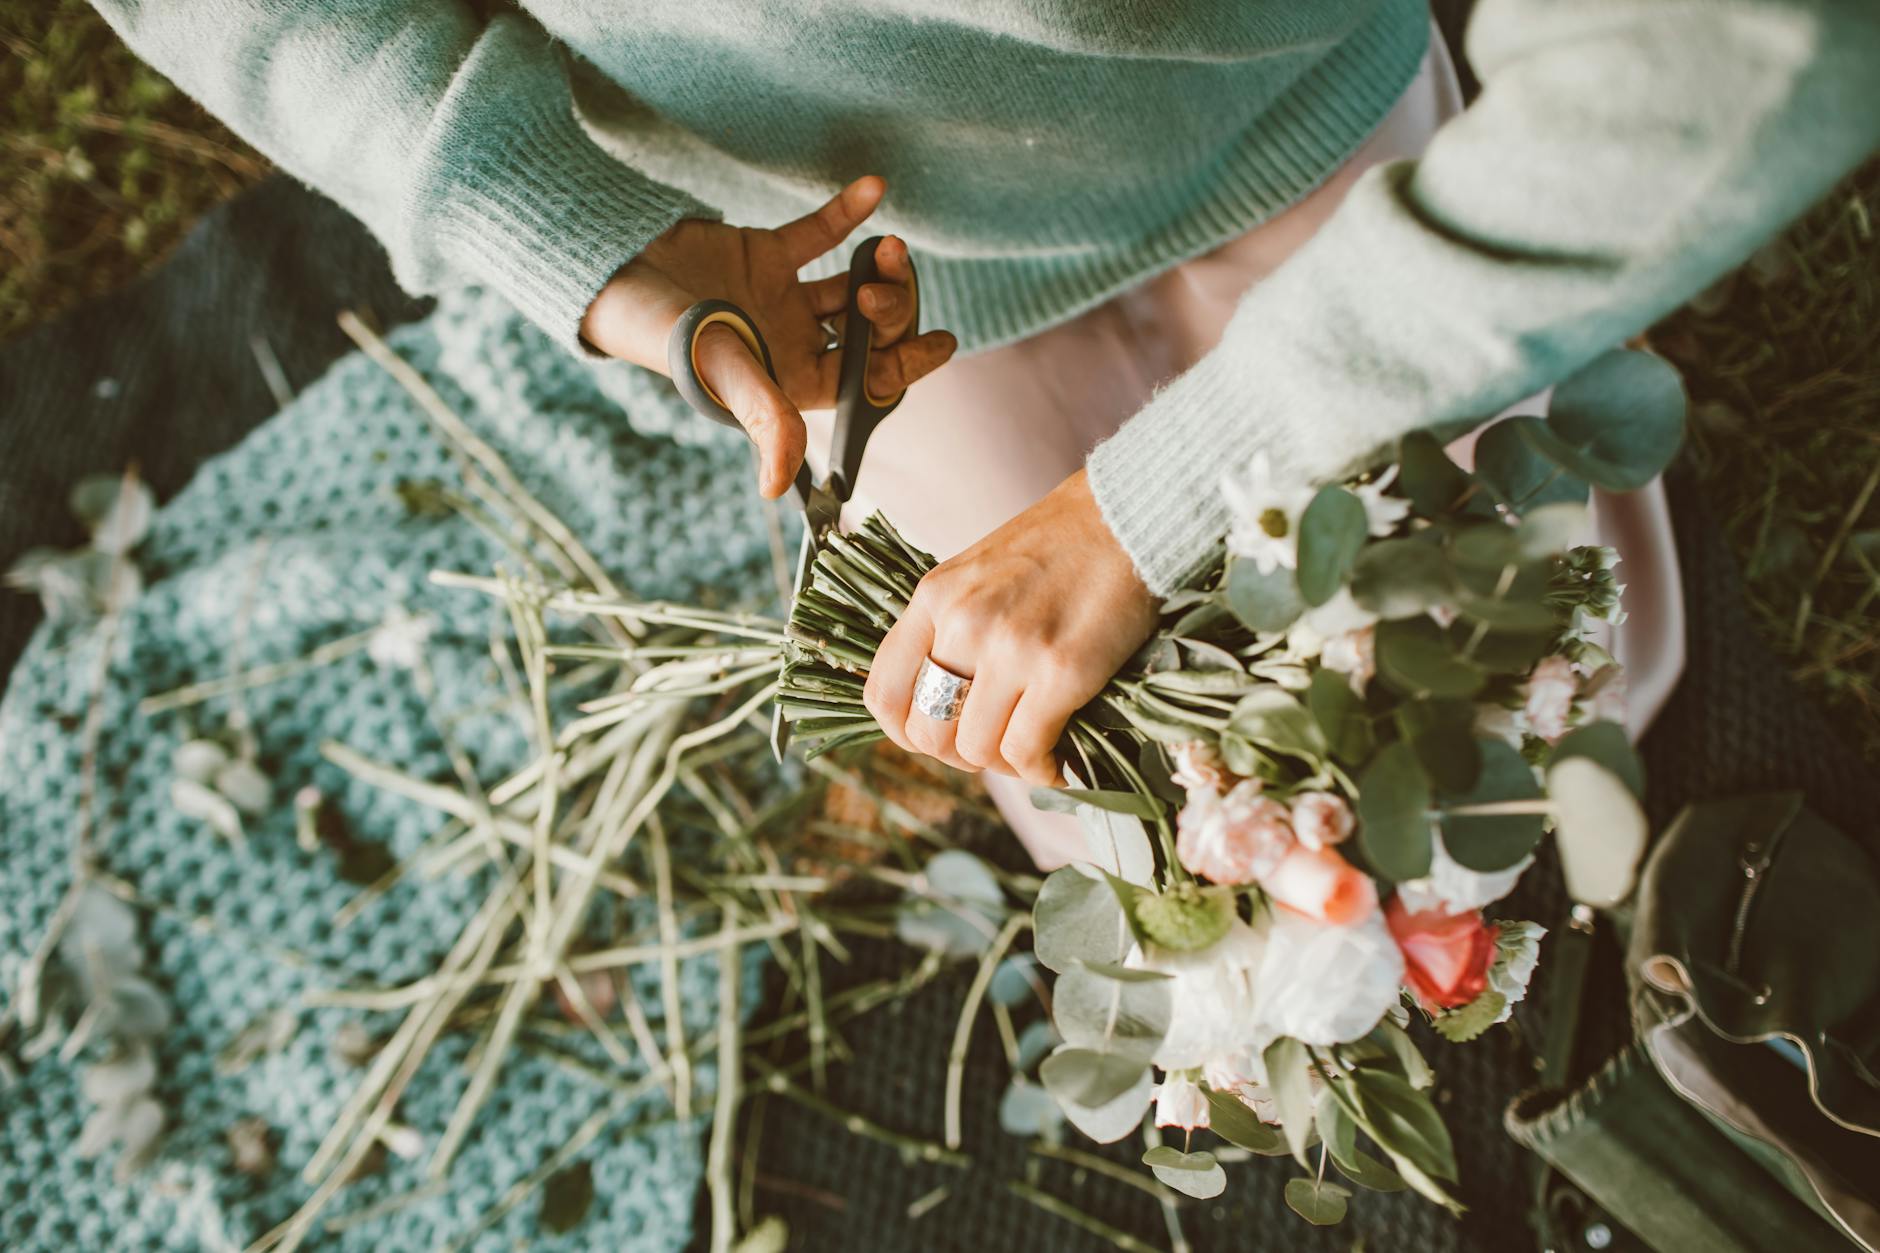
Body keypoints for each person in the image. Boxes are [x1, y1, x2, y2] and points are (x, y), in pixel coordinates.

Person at [96, 0, 1879, 862]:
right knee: (1153, 815)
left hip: (1278, 96)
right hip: (843, 262)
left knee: (1557, 685)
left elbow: (1767, 39)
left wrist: (1170, 490)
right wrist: (569, 228)